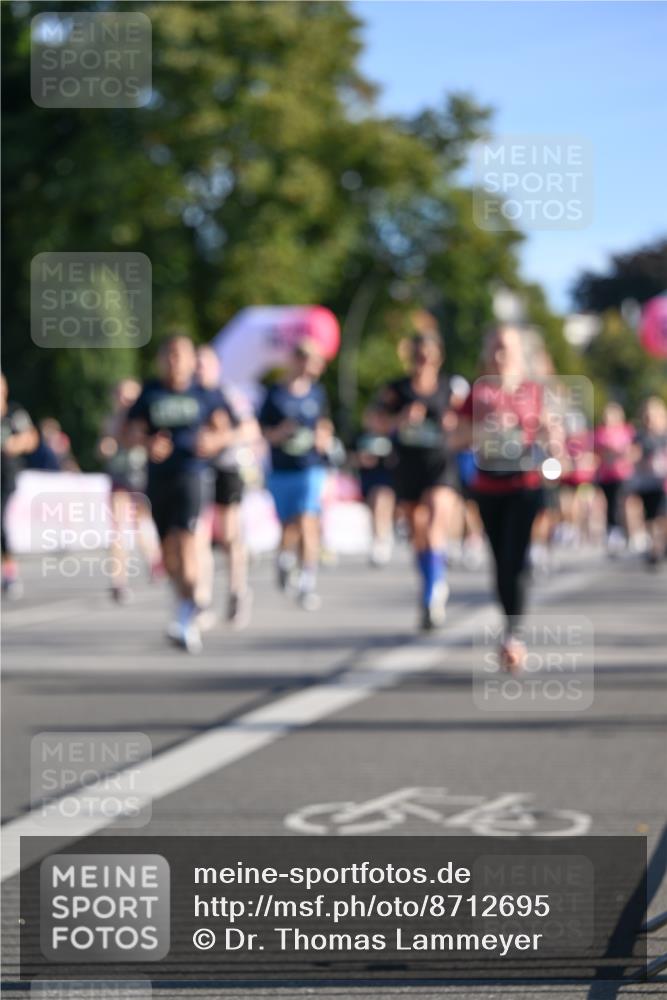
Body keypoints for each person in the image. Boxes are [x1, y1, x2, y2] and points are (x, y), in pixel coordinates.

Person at [456, 325, 561, 673]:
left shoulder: (533, 392)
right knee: (500, 561)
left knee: (516, 558)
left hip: (525, 484)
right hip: (488, 487)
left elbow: (550, 430)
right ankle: (509, 627)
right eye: (495, 348)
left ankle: (513, 637)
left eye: (507, 349)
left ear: (519, 353)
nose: (501, 356)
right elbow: (455, 437)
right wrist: (484, 429)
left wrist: (552, 437)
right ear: (487, 353)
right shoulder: (478, 393)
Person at [125, 334, 233, 652]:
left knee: (186, 541)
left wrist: (213, 442)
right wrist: (146, 443)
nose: (174, 361)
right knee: (168, 550)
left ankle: (187, 613)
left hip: (193, 475)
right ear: (161, 360)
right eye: (168, 355)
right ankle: (185, 603)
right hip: (158, 478)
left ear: (190, 361)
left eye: (179, 355)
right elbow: (128, 431)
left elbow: (228, 428)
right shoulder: (150, 393)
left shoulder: (205, 394)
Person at [376, 321, 460, 630]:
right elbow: (374, 421)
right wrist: (399, 420)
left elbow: (466, 422)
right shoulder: (396, 389)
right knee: (418, 531)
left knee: (437, 518)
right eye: (419, 354)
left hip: (440, 465)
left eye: (429, 354)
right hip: (408, 466)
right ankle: (430, 580)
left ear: (438, 357)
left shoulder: (450, 388)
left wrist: (455, 425)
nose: (424, 359)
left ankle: (432, 593)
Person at [259, 339, 333, 611]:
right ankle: (284, 559)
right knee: (288, 525)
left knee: (307, 520)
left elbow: (324, 423)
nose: (307, 364)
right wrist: (280, 433)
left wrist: (323, 437)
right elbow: (262, 431)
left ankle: (307, 582)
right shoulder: (274, 395)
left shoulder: (317, 394)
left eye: (312, 359)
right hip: (281, 469)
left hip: (310, 467)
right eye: (303, 357)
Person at [195, 346, 258, 629]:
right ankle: (202, 599)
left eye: (204, 365)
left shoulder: (228, 395)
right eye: (196, 364)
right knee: (198, 536)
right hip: (197, 470)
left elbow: (250, 430)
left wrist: (220, 440)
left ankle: (237, 590)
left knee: (230, 535)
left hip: (228, 467)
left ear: (216, 367)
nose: (199, 370)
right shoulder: (187, 396)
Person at [98, 378, 160, 603]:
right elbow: (104, 445)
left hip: (142, 476)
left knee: (141, 524)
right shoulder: (112, 419)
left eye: (129, 396)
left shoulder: (145, 417)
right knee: (117, 528)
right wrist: (106, 446)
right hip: (120, 477)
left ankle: (153, 559)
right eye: (121, 396)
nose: (125, 400)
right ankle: (119, 581)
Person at [1, 374, 39, 598]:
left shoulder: (14, 412)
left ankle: (10, 573)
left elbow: (32, 438)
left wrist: (14, 444)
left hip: (6, 475)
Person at [353, 403, 396, 567]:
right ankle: (380, 535)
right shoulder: (361, 437)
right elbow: (349, 456)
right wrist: (361, 459)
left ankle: (381, 540)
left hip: (386, 478)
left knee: (381, 502)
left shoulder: (390, 437)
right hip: (368, 479)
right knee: (373, 509)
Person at [629, 396, 667, 567]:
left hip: (663, 482)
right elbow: (633, 454)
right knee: (650, 516)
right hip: (647, 482)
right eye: (647, 416)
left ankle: (660, 544)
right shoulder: (640, 436)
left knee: (663, 515)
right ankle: (654, 547)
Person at [594, 402, 635, 555]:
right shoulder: (600, 432)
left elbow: (630, 451)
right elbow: (600, 453)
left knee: (624, 504)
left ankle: (629, 534)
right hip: (606, 475)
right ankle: (613, 532)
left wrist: (619, 453)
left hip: (623, 474)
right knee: (610, 504)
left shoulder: (627, 430)